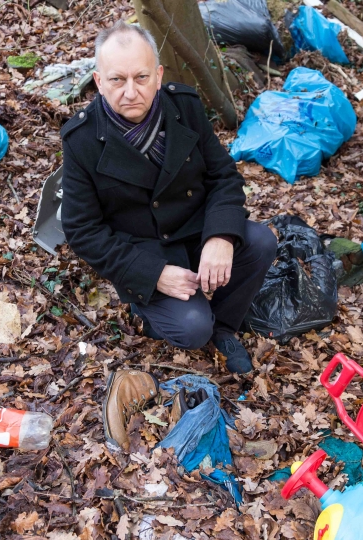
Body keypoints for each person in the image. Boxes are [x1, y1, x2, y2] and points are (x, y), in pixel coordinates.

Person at [60, 21, 277, 374]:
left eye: (141, 77)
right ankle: (153, 312)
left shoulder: (185, 106)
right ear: (99, 82)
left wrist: (220, 236)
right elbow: (83, 230)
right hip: (143, 250)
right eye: (117, 80)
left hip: (195, 230)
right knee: (192, 328)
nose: (130, 92)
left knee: (261, 242)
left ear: (158, 76)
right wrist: (153, 273)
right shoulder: (81, 140)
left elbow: (223, 175)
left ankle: (225, 326)